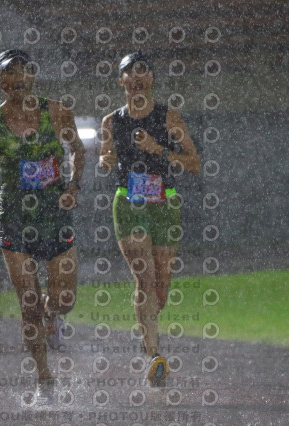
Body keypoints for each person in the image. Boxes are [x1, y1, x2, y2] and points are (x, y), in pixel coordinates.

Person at [0, 50, 85, 405]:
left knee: (64, 300)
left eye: (24, 71)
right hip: (14, 219)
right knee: (28, 305)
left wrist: (74, 185)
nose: (18, 79)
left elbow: (77, 149)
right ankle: (44, 379)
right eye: (10, 73)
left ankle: (53, 313)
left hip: (54, 216)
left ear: (32, 76)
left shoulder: (57, 112)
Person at [98, 52, 201, 388]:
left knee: (161, 289)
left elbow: (194, 163)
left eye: (143, 72)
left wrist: (159, 150)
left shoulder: (169, 117)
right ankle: (155, 355)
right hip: (129, 203)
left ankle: (149, 335)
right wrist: (105, 160)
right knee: (144, 280)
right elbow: (106, 156)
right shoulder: (111, 121)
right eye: (130, 73)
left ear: (152, 79)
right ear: (122, 81)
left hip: (164, 203)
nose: (137, 78)